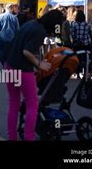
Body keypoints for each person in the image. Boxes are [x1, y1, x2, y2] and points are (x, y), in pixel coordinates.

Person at [4, 10, 65, 141]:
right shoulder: (40, 31)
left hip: (10, 66)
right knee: (33, 104)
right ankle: (29, 137)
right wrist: (39, 64)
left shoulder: (30, 23)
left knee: (14, 103)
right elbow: (26, 51)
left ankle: (12, 137)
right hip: (23, 70)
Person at [71, 10, 92, 75]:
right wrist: (91, 42)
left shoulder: (74, 24)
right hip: (86, 44)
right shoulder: (87, 24)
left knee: (77, 59)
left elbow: (72, 34)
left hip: (77, 45)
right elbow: (90, 34)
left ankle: (77, 73)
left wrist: (75, 41)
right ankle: (85, 73)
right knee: (86, 59)